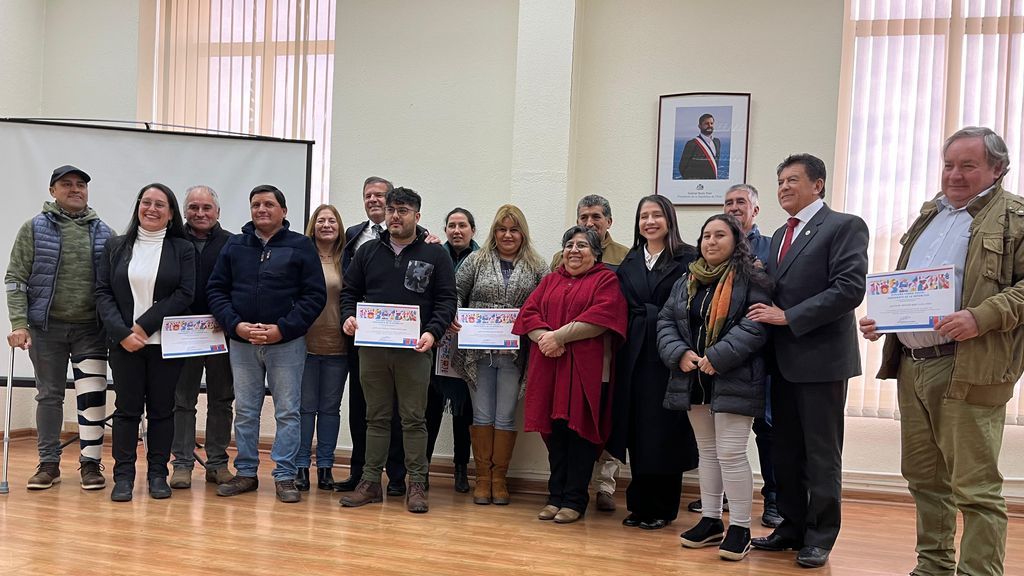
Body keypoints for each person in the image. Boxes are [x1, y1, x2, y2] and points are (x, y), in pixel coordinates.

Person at [859, 127, 1022, 576]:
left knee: (975, 488)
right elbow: (914, 288)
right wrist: (885, 320)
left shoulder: (1016, 217)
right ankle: (932, 567)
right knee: (925, 479)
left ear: (997, 169)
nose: (954, 175)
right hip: (913, 367)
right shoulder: (929, 215)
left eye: (968, 165)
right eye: (949, 165)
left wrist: (981, 316)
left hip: (969, 366)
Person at [747, 154, 869, 568]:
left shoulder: (843, 226)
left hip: (822, 361)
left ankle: (819, 536)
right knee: (786, 452)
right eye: (780, 181)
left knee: (821, 454)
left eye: (793, 180)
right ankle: (791, 527)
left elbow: (849, 289)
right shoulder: (781, 235)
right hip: (781, 362)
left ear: (818, 185)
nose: (784, 187)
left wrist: (789, 317)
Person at [657, 213, 772, 561]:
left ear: (736, 241)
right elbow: (666, 321)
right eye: (706, 235)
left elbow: (756, 326)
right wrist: (680, 353)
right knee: (707, 452)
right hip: (694, 379)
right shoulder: (687, 279)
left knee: (731, 453)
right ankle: (710, 521)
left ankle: (740, 527)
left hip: (735, 377)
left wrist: (717, 357)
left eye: (720, 235)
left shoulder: (752, 278)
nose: (711, 241)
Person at [340, 187, 457, 514]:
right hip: (373, 349)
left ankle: (416, 483)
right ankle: (369, 482)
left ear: (417, 216)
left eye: (402, 211)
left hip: (415, 350)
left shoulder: (435, 254)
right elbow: (349, 292)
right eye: (391, 209)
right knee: (375, 417)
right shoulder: (367, 251)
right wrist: (348, 317)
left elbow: (447, 300)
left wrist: (432, 332)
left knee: (413, 419)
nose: (395, 216)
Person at [207, 184, 326, 503]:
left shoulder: (301, 245)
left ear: (283, 211)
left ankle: (285, 476)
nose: (261, 209)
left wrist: (282, 329)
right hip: (242, 342)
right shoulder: (235, 245)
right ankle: (246, 472)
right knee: (246, 411)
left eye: (269, 204)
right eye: (256, 204)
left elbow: (314, 296)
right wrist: (236, 325)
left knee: (287, 412)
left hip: (286, 343)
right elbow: (216, 290)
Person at [5, 165, 114, 490]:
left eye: (81, 184)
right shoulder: (33, 229)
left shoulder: (105, 232)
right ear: (53, 191)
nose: (75, 189)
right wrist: (19, 323)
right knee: (49, 396)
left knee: (92, 395)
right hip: (46, 328)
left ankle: (90, 465)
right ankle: (48, 464)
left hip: (90, 330)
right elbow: (15, 279)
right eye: (66, 184)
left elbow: (114, 285)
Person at [513, 226, 627, 524]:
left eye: (582, 245)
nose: (574, 250)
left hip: (588, 374)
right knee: (555, 434)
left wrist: (558, 337)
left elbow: (602, 318)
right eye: (569, 245)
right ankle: (555, 496)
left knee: (580, 434)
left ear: (596, 253)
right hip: (551, 369)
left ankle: (575, 500)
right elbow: (528, 314)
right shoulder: (550, 280)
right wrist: (544, 338)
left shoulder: (606, 280)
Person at [95, 183, 196, 502]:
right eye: (146, 202)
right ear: (138, 206)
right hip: (125, 345)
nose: (151, 209)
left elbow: (184, 293)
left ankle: (157, 475)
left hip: (165, 344)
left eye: (159, 204)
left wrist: (143, 325)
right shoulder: (115, 246)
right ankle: (123, 476)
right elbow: (102, 293)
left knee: (162, 411)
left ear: (171, 213)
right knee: (126, 410)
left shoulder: (182, 248)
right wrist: (123, 333)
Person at [606, 195, 698, 531]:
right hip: (633, 352)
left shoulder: (688, 257)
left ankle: (663, 506)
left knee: (665, 430)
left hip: (669, 352)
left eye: (656, 215)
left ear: (669, 219)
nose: (650, 222)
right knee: (637, 429)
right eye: (644, 216)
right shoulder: (630, 260)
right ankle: (639, 504)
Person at [455, 204, 546, 505]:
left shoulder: (536, 265)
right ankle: (482, 479)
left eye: (514, 230)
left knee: (505, 416)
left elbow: (546, 301)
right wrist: (455, 315)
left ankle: (499, 480)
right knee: (481, 414)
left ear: (523, 233)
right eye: (502, 229)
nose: (508, 235)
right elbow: (455, 292)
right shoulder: (476, 260)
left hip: (515, 355)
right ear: (494, 232)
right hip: (477, 353)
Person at [549, 194, 629, 512]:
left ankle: (603, 488)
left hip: (600, 355)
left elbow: (609, 311)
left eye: (596, 217)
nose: (590, 222)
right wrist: (547, 337)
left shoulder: (623, 258)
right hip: (560, 359)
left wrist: (559, 335)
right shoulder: (559, 260)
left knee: (593, 427)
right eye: (584, 217)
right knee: (561, 430)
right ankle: (561, 494)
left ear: (609, 221)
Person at [336, 176, 407, 496]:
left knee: (396, 409)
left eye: (380, 195)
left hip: (400, 337)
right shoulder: (352, 235)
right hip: (362, 336)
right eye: (368, 195)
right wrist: (348, 317)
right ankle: (361, 473)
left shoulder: (417, 236)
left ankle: (396, 475)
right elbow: (347, 287)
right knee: (361, 406)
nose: (374, 200)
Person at [717, 183, 782, 528]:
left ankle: (773, 499)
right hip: (721, 355)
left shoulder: (773, 248)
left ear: (755, 209)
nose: (733, 207)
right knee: (724, 429)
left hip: (761, 353)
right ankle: (723, 495)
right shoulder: (715, 247)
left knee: (767, 430)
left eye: (740, 202)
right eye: (728, 202)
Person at [170, 185, 235, 489]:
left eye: (206, 207)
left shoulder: (233, 243)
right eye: (193, 207)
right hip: (182, 334)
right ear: (184, 211)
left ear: (217, 212)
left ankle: (217, 463)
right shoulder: (171, 241)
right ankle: (182, 464)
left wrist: (229, 318)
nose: (200, 213)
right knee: (182, 400)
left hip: (221, 332)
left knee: (222, 399)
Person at [425, 208, 479, 494]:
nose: (457, 230)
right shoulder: (433, 254)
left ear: (473, 230)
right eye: (452, 225)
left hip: (467, 347)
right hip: (435, 344)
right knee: (429, 410)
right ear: (445, 229)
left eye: (463, 225)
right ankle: (422, 468)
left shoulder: (482, 259)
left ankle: (461, 470)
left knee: (463, 413)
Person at [296, 204, 349, 491]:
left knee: (330, 409)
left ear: (339, 227)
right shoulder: (301, 256)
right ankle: (301, 466)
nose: (326, 225)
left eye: (332, 221)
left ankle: (326, 467)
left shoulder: (348, 259)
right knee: (304, 409)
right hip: (304, 343)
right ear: (313, 226)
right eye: (321, 220)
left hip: (338, 345)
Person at [678, 113, 721, 180]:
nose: (710, 126)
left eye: (711, 123)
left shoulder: (717, 142)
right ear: (699, 126)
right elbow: (682, 167)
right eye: (706, 123)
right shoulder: (692, 144)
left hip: (712, 183)